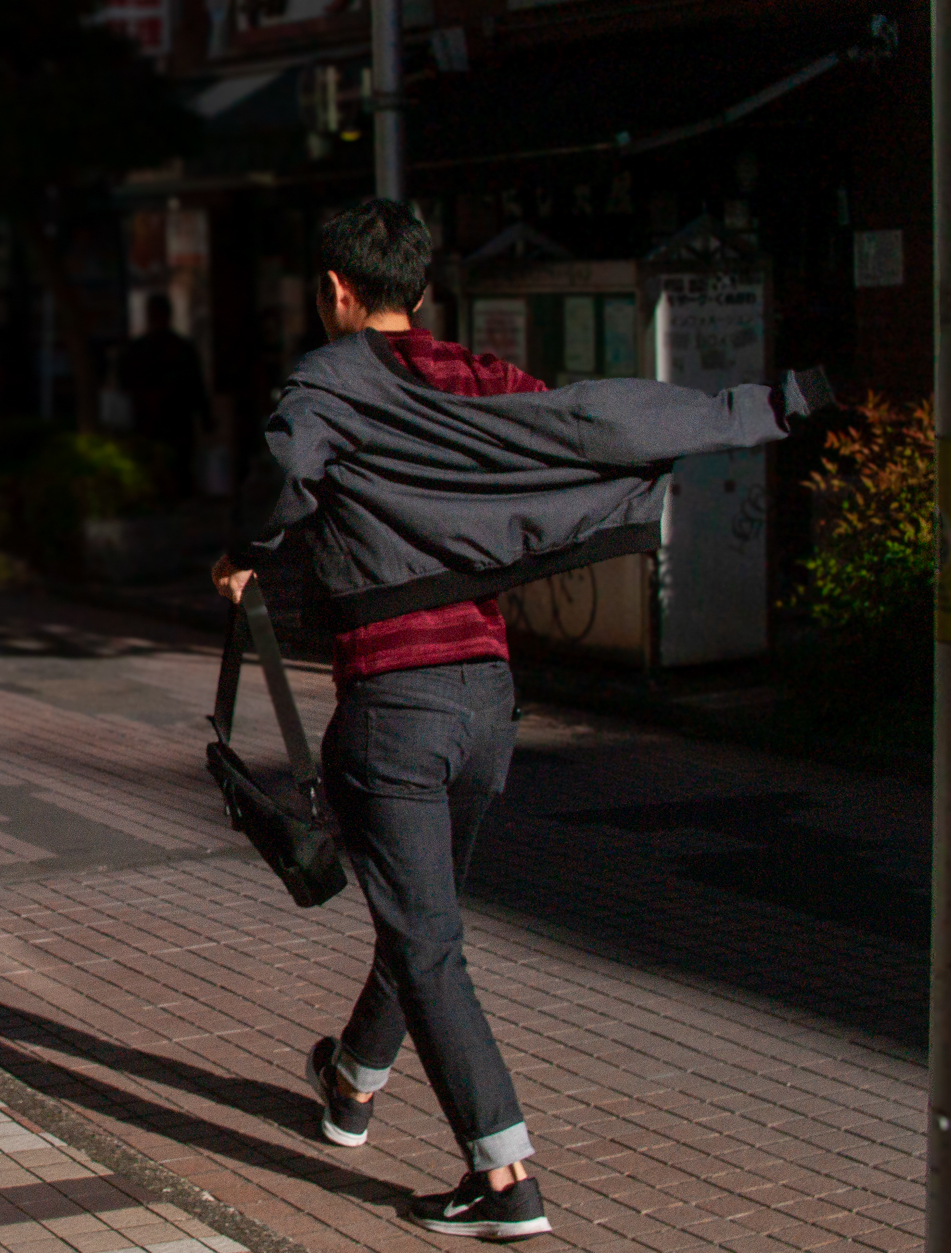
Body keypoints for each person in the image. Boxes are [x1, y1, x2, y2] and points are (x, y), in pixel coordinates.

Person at [211, 199, 828, 1240]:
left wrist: (244, 552)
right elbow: (598, 420)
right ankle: (351, 1087)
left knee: (428, 940)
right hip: (487, 704)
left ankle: (505, 1180)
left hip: (393, 710)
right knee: (425, 922)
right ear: (425, 292)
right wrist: (771, 404)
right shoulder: (486, 383)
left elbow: (283, 473)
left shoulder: (325, 385)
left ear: (336, 293)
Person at [117, 293, 211, 495]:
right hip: (174, 423)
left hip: (152, 423)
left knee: (155, 476)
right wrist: (206, 419)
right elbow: (197, 388)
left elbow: (123, 385)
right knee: (177, 476)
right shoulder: (181, 348)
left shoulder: (138, 349)